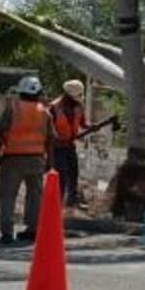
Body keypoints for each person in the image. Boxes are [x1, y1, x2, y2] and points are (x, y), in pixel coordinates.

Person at [0, 76, 53, 245]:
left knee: (7, 196)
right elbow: (51, 139)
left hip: (12, 158)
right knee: (35, 197)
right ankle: (32, 230)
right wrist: (50, 162)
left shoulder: (12, 108)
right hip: (36, 159)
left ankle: (7, 232)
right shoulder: (45, 112)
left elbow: (0, 131)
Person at [50, 79, 90, 207]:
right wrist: (56, 140)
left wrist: (93, 126)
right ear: (68, 96)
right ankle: (57, 205)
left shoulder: (78, 106)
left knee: (73, 175)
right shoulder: (54, 108)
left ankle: (69, 205)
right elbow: (47, 129)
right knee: (60, 176)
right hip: (57, 149)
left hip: (70, 147)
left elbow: (83, 124)